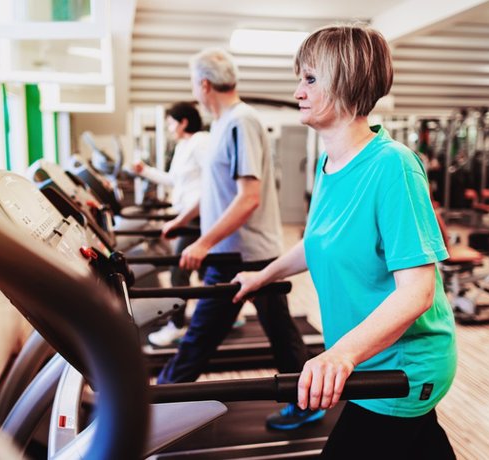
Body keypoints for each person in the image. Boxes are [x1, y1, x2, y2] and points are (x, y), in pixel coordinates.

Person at [232, 24, 457, 458]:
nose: (298, 90)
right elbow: (316, 241)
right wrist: (262, 277)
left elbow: (418, 293)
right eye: (300, 78)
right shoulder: (326, 163)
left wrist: (341, 356)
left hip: (399, 367)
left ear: (347, 82)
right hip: (366, 360)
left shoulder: (393, 167)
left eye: (310, 79)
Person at [157, 48, 320, 429]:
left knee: (204, 334)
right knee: (277, 331)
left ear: (204, 84)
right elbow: (216, 191)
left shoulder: (241, 122)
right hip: (235, 252)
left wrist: (201, 243)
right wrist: (183, 221)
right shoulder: (222, 124)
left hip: (246, 256)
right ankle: (306, 398)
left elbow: (249, 197)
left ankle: (159, 397)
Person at [131, 101, 208, 347]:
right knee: (204, 271)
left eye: (171, 122)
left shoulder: (200, 141)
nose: (169, 127)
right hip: (188, 216)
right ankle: (218, 314)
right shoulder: (183, 146)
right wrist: (145, 170)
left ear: (184, 122)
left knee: (179, 272)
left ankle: (177, 326)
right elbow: (174, 181)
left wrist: (181, 219)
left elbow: (212, 183)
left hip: (199, 217)